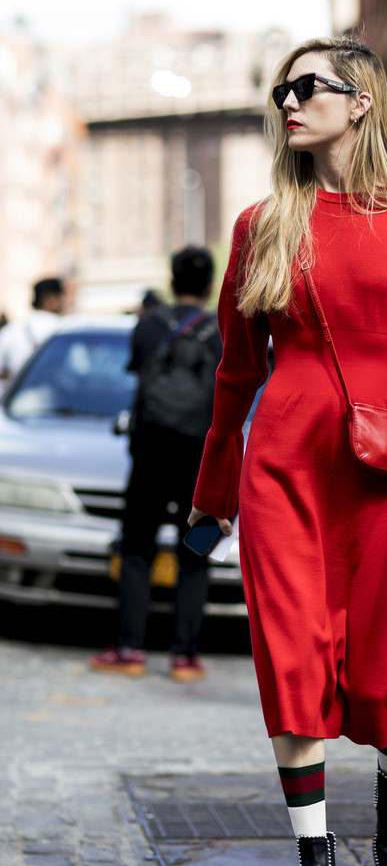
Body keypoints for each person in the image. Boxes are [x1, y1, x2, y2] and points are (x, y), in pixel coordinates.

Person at [189, 37, 387, 866]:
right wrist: (215, 490)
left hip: (383, 465)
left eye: (307, 86)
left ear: (360, 101)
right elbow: (235, 377)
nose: (290, 100)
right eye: (282, 88)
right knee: (292, 659)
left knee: (375, 678)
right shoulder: (261, 225)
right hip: (285, 458)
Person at [90, 246, 222, 682]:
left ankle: (129, 647)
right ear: (209, 285)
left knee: (135, 548)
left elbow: (137, 374)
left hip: (149, 454)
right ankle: (185, 657)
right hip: (201, 462)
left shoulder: (147, 326)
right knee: (197, 552)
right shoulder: (222, 331)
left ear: (172, 280)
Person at [0, 277, 66, 382]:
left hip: (17, 396)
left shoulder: (11, 330)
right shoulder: (65, 330)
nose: (65, 301)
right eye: (62, 296)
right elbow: (80, 369)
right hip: (54, 395)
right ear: (49, 298)